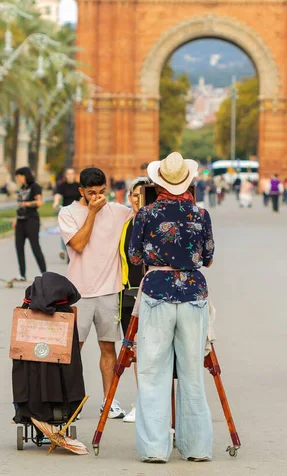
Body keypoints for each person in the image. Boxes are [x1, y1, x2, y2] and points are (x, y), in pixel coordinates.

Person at [129, 152, 215, 463]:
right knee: (192, 371)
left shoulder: (146, 214)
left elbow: (135, 257)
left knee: (153, 371)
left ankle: (154, 448)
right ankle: (197, 447)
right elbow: (208, 258)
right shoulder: (200, 215)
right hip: (193, 293)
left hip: (157, 291)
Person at [58, 167, 132, 419]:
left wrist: (138, 198)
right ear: (81, 191)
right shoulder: (67, 213)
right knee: (72, 350)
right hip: (79, 292)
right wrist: (91, 213)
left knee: (108, 347)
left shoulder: (118, 211)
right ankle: (70, 402)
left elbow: (143, 216)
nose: (98, 197)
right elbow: (78, 245)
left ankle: (109, 400)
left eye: (102, 192)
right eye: (92, 193)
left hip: (109, 291)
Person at [12, 271, 87, 455]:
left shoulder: (25, 314)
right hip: (62, 404)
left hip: (30, 402)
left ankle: (33, 411)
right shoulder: (65, 314)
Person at [119, 175, 151, 423]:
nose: (138, 199)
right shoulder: (124, 224)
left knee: (150, 351)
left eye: (144, 194)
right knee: (135, 351)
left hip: (152, 294)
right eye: (134, 194)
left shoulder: (157, 222)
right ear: (129, 197)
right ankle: (143, 401)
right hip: (128, 294)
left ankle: (148, 403)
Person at [13, 167, 47, 282]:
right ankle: (22, 274)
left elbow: (39, 202)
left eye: (19, 176)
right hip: (20, 220)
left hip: (31, 220)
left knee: (35, 247)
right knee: (19, 247)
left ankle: (45, 274)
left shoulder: (35, 187)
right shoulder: (22, 188)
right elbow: (19, 205)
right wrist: (16, 219)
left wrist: (27, 204)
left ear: (25, 175)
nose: (18, 179)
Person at [53, 168, 82, 260]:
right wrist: (55, 202)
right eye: (68, 174)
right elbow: (57, 194)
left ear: (74, 175)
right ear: (65, 175)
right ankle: (63, 249)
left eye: (71, 174)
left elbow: (82, 197)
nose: (70, 175)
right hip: (66, 211)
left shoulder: (78, 186)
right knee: (65, 231)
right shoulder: (62, 185)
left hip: (77, 211)